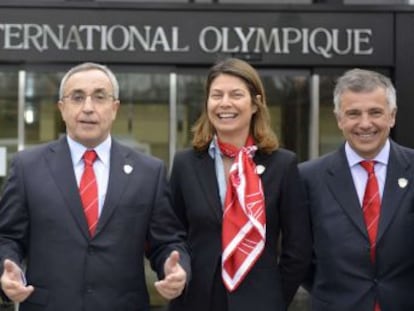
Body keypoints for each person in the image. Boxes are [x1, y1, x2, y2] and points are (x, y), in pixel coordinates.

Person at [0, 62, 190, 311]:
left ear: (114, 108)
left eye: (100, 97)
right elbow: (7, 236)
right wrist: (7, 267)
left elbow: (166, 242)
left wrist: (172, 267)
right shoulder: (28, 167)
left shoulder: (149, 172)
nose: (88, 108)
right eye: (77, 97)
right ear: (62, 108)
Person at [168, 58, 312, 311]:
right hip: (196, 300)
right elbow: (173, 233)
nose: (225, 103)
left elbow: (297, 248)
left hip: (260, 301)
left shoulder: (283, 164)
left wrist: (275, 299)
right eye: (216, 95)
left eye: (236, 94)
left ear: (255, 103)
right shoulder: (185, 164)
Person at [299, 68, 414, 311]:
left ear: (392, 116)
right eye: (353, 113)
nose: (365, 123)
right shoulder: (307, 178)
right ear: (339, 119)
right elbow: (300, 256)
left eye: (375, 112)